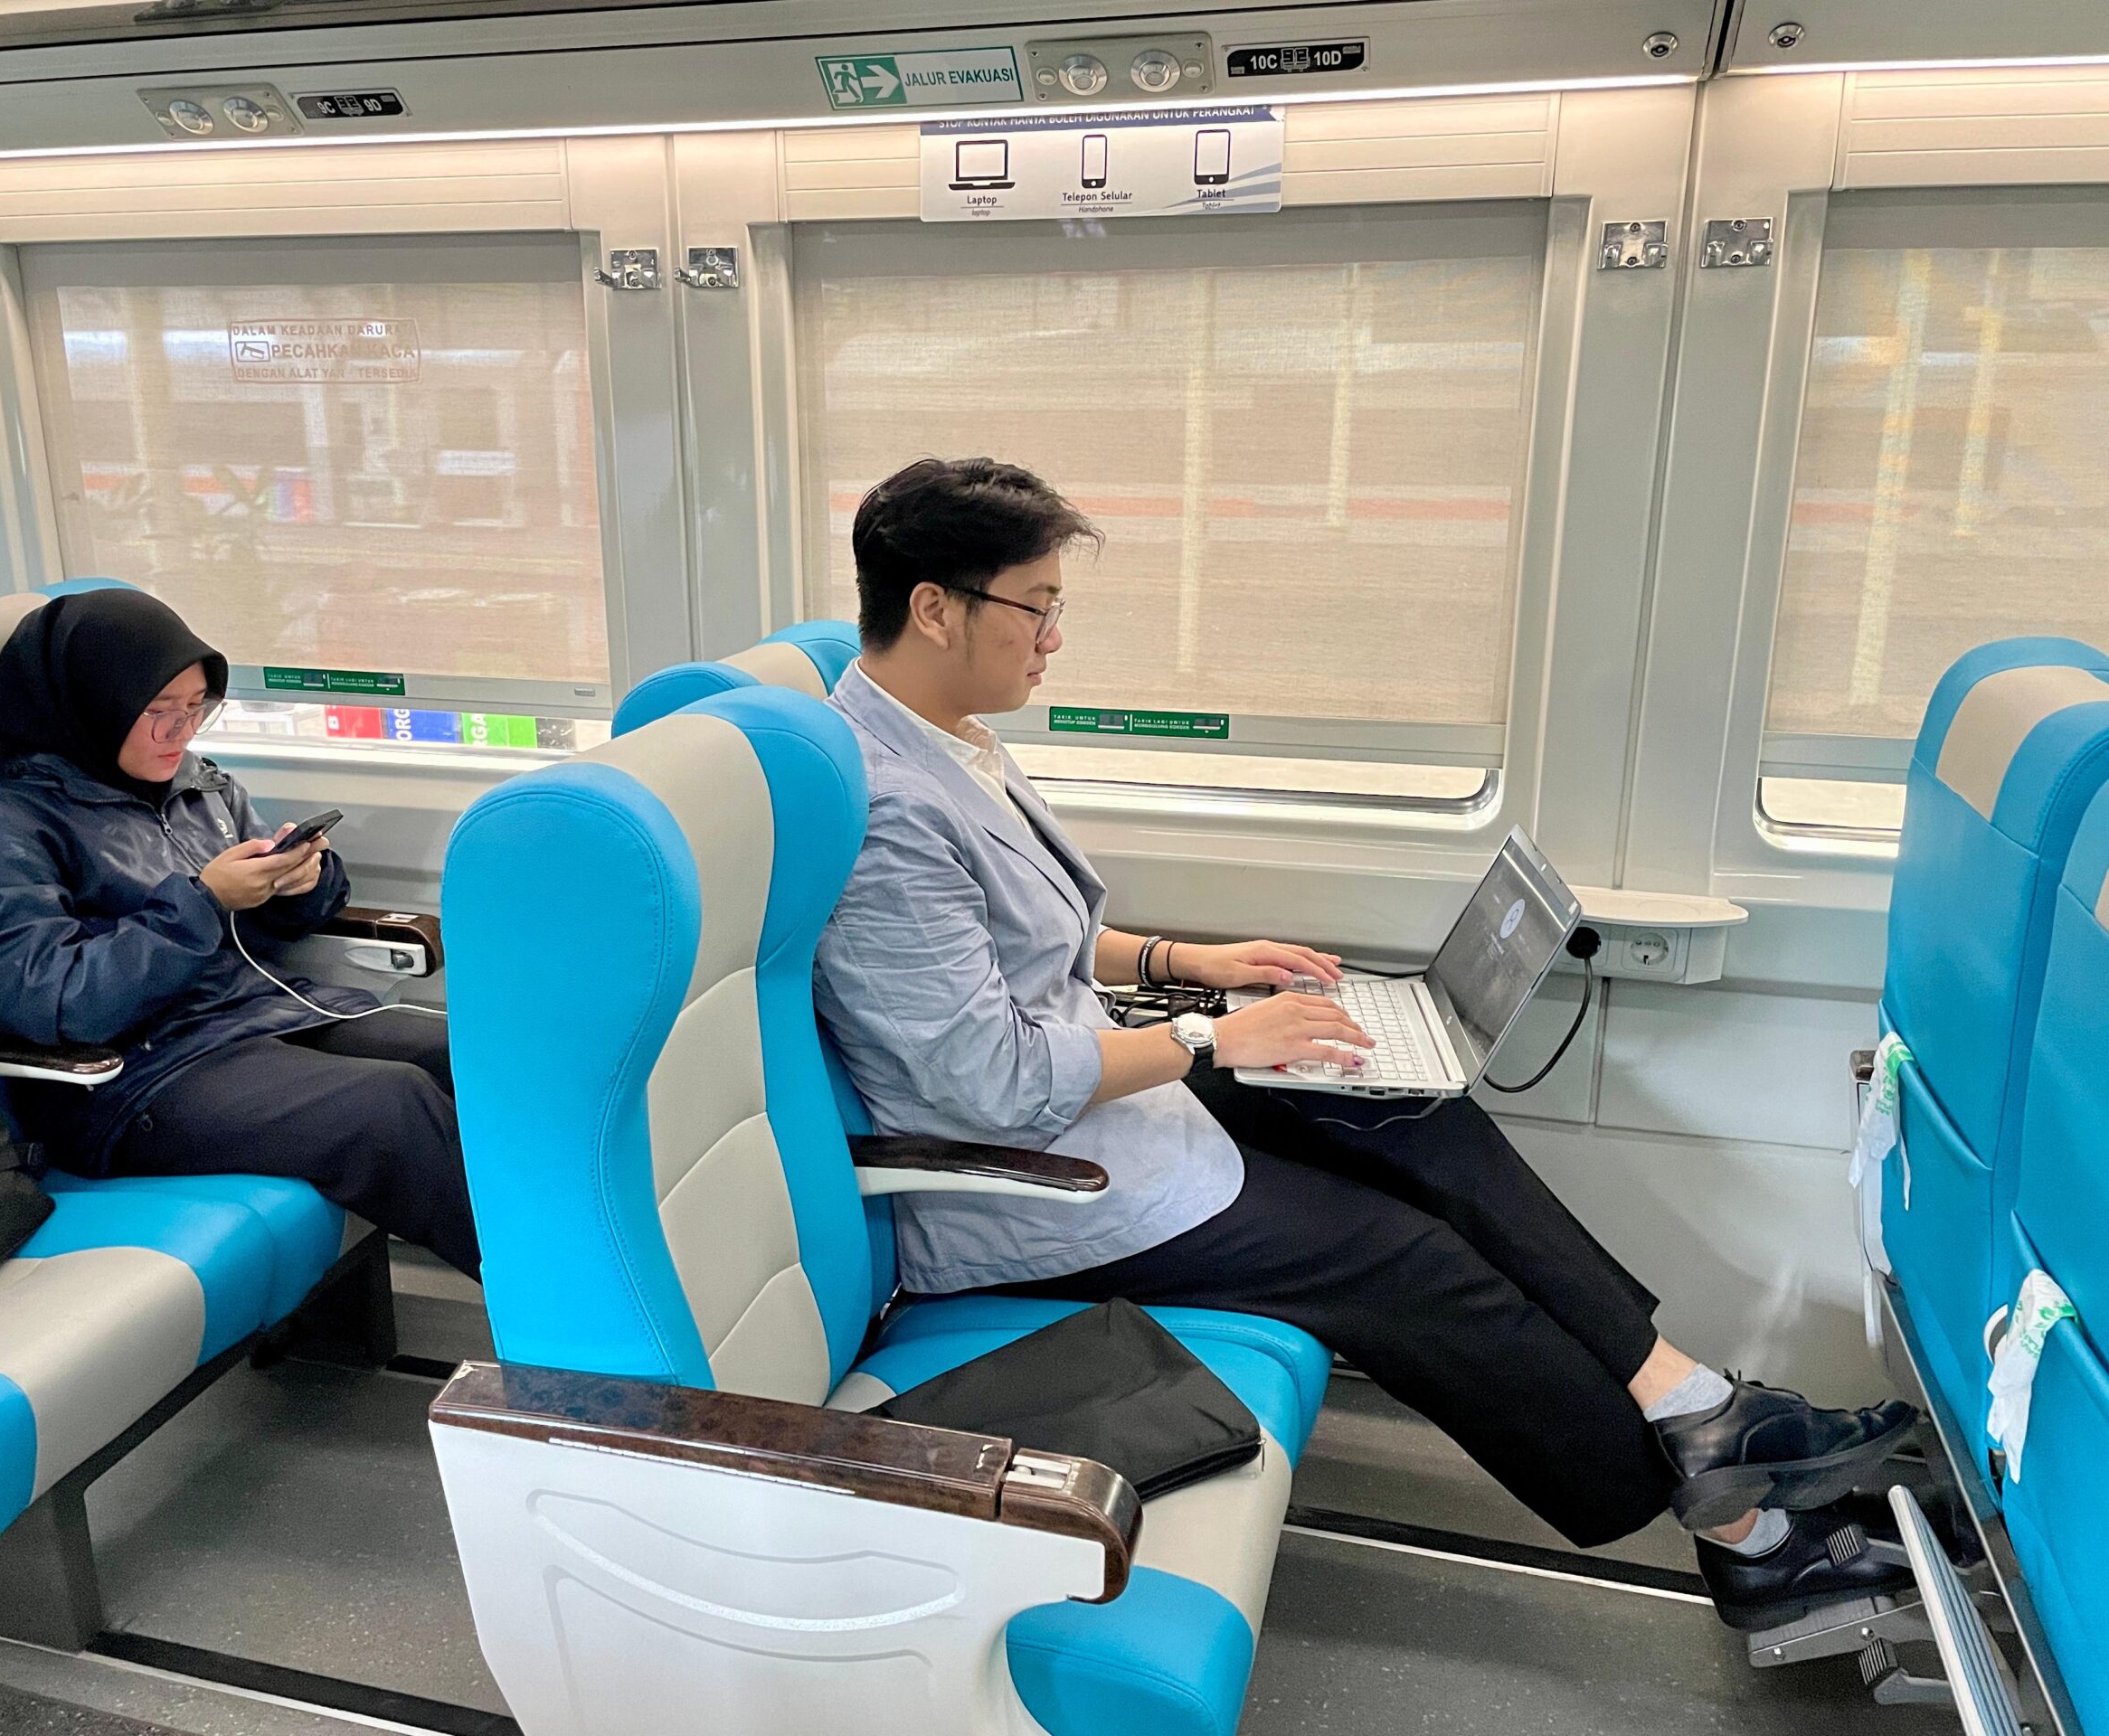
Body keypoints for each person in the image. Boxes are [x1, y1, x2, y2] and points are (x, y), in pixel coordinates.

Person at [811, 458, 1918, 1628]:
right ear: (935, 608)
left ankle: (1692, 1401)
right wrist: (1208, 1040)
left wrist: (1188, 963)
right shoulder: (889, 806)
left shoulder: (950, 738)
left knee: (1408, 1112)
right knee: (1409, 1263)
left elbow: (1027, 940)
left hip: (1093, 1106)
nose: (1053, 639)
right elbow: (983, 1080)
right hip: (1030, 1183)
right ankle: (1751, 1533)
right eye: (1036, 607)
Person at [0, 588, 478, 1278]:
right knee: (389, 1105)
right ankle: (563, 1311)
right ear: (92, 706)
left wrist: (301, 882)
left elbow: (261, 933)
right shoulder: (1, 827)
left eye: (195, 708)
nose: (180, 732)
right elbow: (57, 1000)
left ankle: (595, 1263)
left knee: (472, 1054)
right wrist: (204, 903)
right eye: (157, 710)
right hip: (135, 1077)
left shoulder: (199, 785)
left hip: (252, 1017)